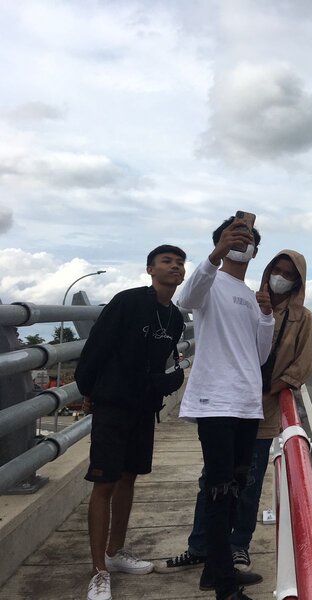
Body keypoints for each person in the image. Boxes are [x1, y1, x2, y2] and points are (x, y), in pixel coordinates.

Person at [159, 250, 312, 578]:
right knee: (213, 481)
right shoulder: (245, 298)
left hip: (262, 407)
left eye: (288, 274)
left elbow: (302, 364)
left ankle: (236, 545)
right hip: (228, 403)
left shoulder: (302, 317)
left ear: (297, 281)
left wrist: (268, 391)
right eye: (277, 270)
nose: (280, 277)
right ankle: (202, 548)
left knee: (248, 480)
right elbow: (196, 309)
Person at [75, 245, 187, 600]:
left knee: (128, 478)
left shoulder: (175, 317)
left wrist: (170, 381)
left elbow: (164, 362)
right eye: (167, 261)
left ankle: (116, 552)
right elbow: (96, 347)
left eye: (180, 263)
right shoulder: (127, 301)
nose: (175, 267)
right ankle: (98, 571)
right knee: (104, 481)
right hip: (113, 404)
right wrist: (89, 390)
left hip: (143, 408)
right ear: (150, 269)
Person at [176, 216, 275, 600]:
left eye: (248, 238)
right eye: (234, 236)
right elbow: (186, 301)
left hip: (248, 404)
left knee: (235, 488)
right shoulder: (209, 281)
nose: (242, 241)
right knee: (218, 491)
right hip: (215, 402)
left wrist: (266, 315)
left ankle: (218, 570)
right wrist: (215, 254)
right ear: (220, 243)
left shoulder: (251, 296)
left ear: (255, 251)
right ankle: (224, 588)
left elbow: (260, 354)